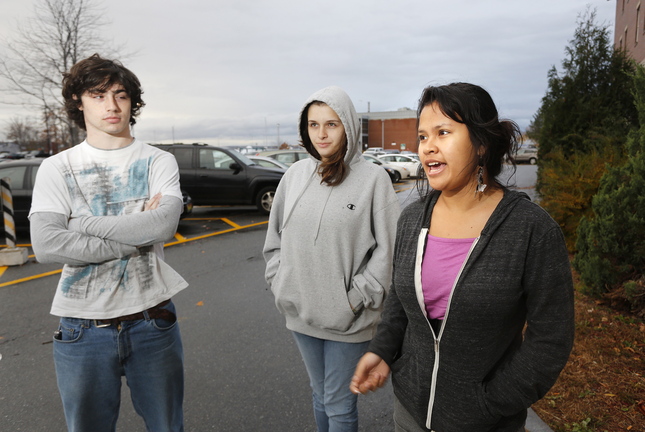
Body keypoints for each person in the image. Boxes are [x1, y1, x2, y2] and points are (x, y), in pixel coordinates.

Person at [350, 83, 575, 432]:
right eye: (423, 136)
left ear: (482, 143)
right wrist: (383, 352)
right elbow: (399, 297)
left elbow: (551, 339)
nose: (428, 147)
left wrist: (491, 402)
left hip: (485, 423)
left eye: (443, 132)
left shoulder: (531, 231)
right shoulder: (412, 220)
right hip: (408, 413)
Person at [29, 54, 188, 432]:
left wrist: (81, 223)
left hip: (153, 320)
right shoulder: (57, 168)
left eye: (120, 95)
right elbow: (47, 245)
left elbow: (164, 225)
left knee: (168, 427)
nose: (111, 106)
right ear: (78, 102)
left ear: (133, 103)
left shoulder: (158, 161)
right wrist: (136, 236)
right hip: (82, 329)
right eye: (98, 95)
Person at [263, 85, 401, 432]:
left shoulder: (373, 180)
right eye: (313, 125)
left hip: (349, 320)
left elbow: (389, 250)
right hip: (300, 313)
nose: (321, 134)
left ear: (349, 127)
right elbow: (275, 240)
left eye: (331, 124)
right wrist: (282, 283)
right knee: (320, 395)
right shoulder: (294, 176)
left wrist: (357, 297)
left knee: (339, 406)